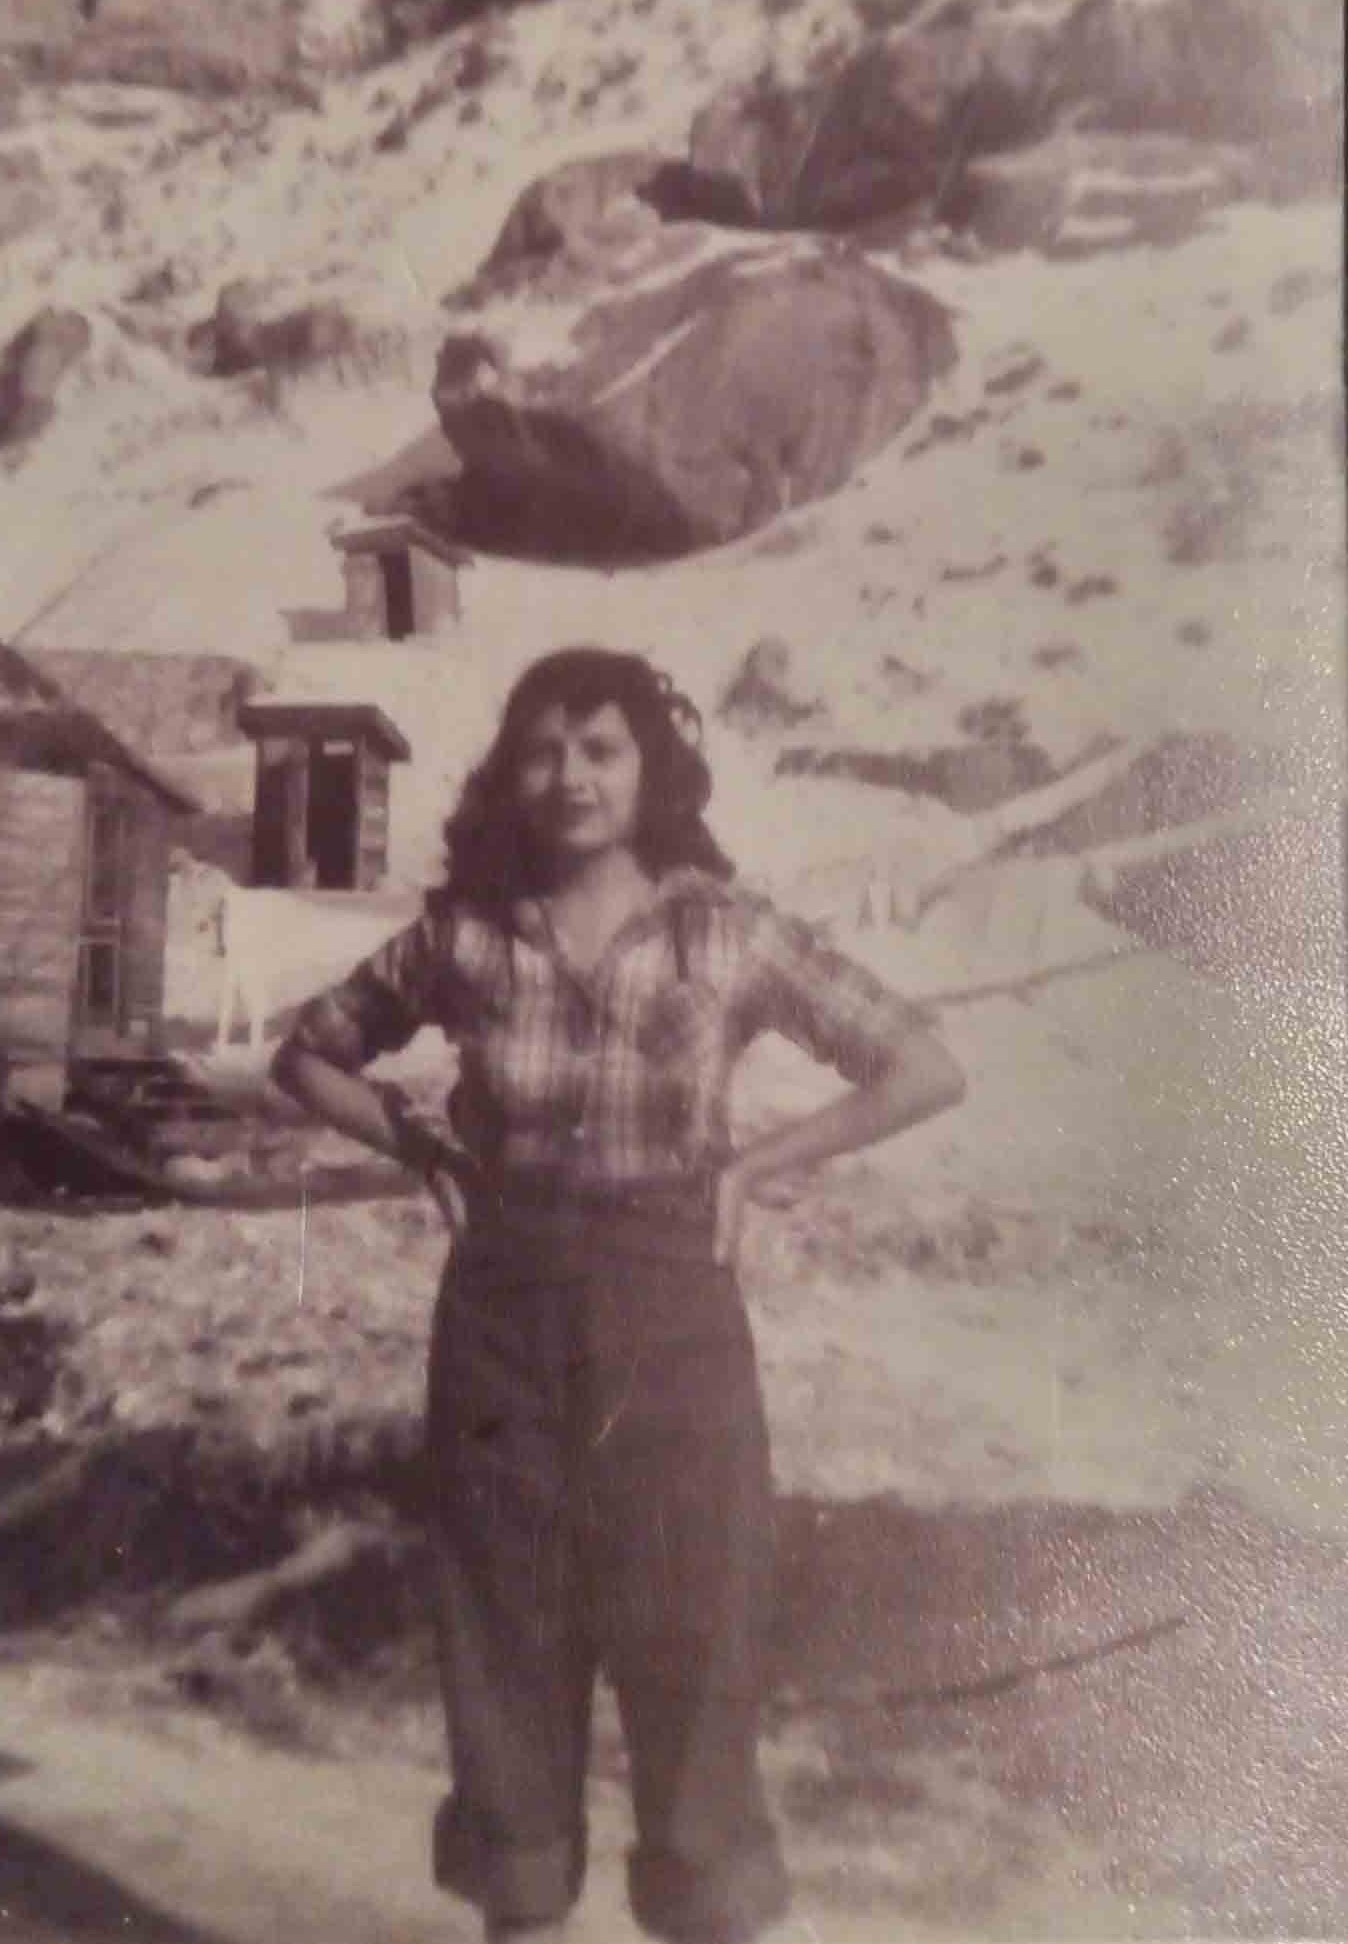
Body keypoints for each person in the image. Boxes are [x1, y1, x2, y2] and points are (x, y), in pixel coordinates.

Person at [271, 647, 965, 1943]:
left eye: (601, 748)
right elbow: (302, 1055)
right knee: (505, 1654)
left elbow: (923, 1064)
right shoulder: (469, 931)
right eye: (543, 748)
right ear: (509, 773)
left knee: (696, 1651)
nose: (570, 775)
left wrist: (761, 1161)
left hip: (673, 1318)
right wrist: (416, 1141)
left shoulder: (724, 926)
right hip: (502, 1325)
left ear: (653, 769)